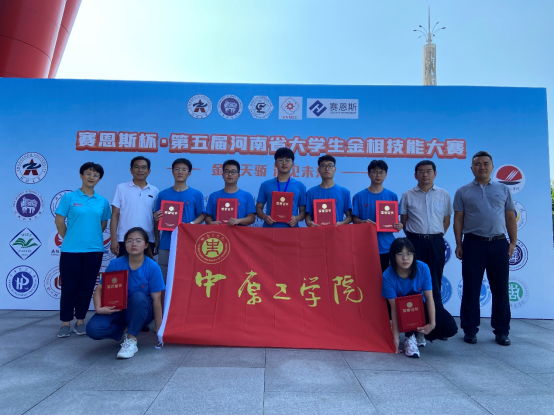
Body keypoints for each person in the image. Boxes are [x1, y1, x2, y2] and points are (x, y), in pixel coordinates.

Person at [454, 151, 517, 346]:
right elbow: (458, 219)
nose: (482, 167)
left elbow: (510, 217)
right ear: (471, 168)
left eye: (486, 163)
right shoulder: (463, 191)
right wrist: (459, 243)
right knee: (471, 288)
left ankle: (502, 330)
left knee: (501, 289)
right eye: (477, 164)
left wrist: (513, 242)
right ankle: (470, 329)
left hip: (499, 243)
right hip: (473, 243)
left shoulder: (503, 189)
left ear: (492, 166)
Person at [86, 227, 165, 359]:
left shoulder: (153, 267)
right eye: (129, 240)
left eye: (138, 241)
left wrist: (159, 327)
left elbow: (157, 300)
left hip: (142, 311)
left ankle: (131, 339)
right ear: (125, 244)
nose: (134, 244)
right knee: (93, 329)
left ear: (146, 245)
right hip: (118, 310)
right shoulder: (115, 264)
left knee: (138, 296)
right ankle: (128, 329)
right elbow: (99, 288)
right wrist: (98, 308)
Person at [54, 162, 111, 338]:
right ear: (81, 175)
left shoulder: (102, 201)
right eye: (88, 173)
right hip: (71, 250)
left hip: (94, 250)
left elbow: (103, 224)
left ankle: (80, 321)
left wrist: (90, 237)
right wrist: (71, 237)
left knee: (86, 287)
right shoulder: (69, 197)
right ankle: (65, 322)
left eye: (96, 175)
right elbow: (59, 221)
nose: (91, 177)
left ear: (99, 179)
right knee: (69, 286)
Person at [382, 238, 458, 358]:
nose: (405, 258)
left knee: (450, 327)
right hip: (402, 312)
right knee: (409, 298)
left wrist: (431, 325)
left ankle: (419, 332)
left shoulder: (423, 268)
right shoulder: (387, 276)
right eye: (400, 254)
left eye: (409, 254)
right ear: (393, 256)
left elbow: (429, 298)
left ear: (414, 255)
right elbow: (394, 309)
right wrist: (395, 339)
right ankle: (409, 337)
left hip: (421, 306)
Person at [400, 160, 453, 310]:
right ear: (415, 175)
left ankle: (436, 317)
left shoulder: (444, 194)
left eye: (429, 171)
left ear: (435, 174)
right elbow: (404, 221)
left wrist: (435, 235)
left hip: (436, 242)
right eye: (421, 171)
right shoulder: (407, 195)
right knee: (413, 278)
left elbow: (447, 220)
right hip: (414, 242)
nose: (425, 174)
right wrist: (415, 237)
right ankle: (414, 318)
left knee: (435, 280)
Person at [154, 158, 205, 281]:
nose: (180, 172)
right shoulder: (163, 194)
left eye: (183, 169)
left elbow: (202, 215)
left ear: (189, 173)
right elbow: (156, 217)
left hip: (188, 241)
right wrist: (156, 217)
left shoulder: (196, 194)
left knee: (186, 276)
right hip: (166, 242)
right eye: (177, 169)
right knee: (164, 277)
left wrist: (191, 224)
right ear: (172, 172)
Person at [353, 160, 403, 272]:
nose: (378, 175)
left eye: (381, 172)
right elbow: (354, 219)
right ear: (368, 174)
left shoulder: (392, 196)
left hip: (387, 246)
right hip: (366, 246)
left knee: (387, 279)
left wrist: (399, 225)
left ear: (386, 175)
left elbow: (395, 221)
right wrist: (363, 222)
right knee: (366, 279)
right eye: (374, 172)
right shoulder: (358, 196)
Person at [110, 156, 159, 257]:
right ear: (131, 170)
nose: (140, 170)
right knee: (124, 267)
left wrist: (157, 240)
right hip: (125, 239)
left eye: (143, 167)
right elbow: (115, 215)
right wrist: (114, 239)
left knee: (145, 267)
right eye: (136, 167)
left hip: (147, 240)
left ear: (149, 171)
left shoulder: (155, 191)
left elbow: (156, 219)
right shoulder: (121, 188)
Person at [256, 147, 307, 228]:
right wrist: (265, 217)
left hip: (291, 230)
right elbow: (258, 207)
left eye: (287, 160)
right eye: (280, 160)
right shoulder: (265, 185)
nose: (284, 163)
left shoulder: (300, 186)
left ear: (293, 164)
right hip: (270, 230)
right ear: (275, 164)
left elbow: (303, 210)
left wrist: (297, 219)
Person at [205, 160, 256, 226]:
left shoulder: (247, 196)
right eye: (226, 171)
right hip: (218, 232)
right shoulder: (214, 196)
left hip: (239, 232)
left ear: (238, 175)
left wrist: (239, 220)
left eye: (233, 172)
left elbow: (252, 218)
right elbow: (208, 216)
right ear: (222, 175)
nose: (230, 174)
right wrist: (211, 223)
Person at [305, 155, 352, 227]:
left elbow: (349, 216)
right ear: (318, 170)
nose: (327, 169)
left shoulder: (344, 192)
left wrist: (342, 223)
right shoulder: (311, 192)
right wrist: (309, 223)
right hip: (317, 232)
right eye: (323, 166)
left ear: (335, 169)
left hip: (337, 232)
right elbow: (308, 215)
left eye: (330, 166)